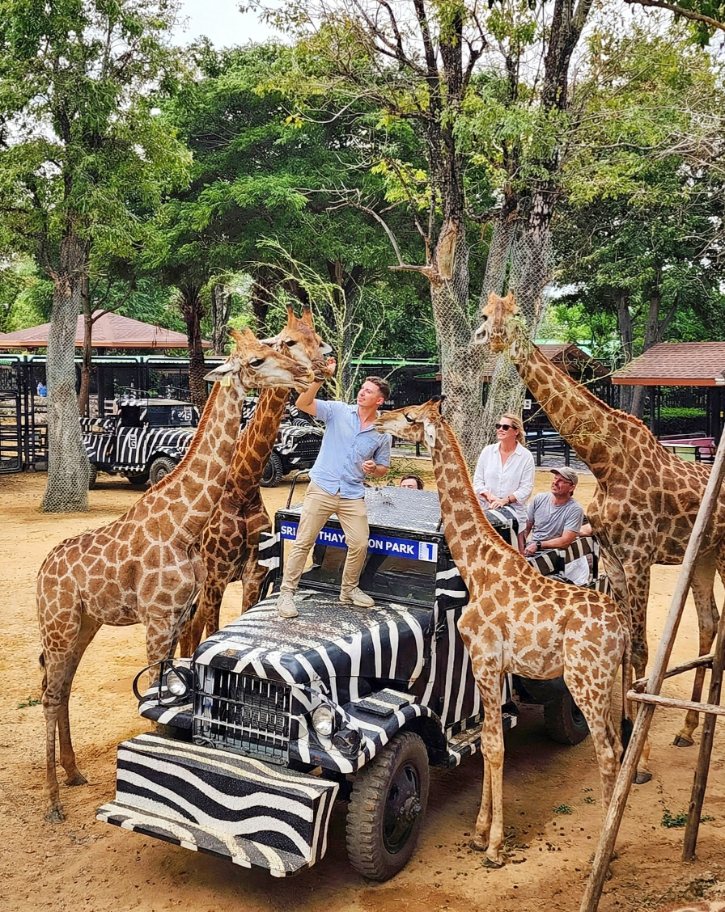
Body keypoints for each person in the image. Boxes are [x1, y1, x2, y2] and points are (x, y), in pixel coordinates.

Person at [276, 364, 392, 619]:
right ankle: (286, 594)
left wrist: (374, 468)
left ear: (379, 400)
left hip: (352, 493)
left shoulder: (383, 432)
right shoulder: (339, 411)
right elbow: (303, 403)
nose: (362, 393)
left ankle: (349, 589)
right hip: (322, 488)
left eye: (368, 391)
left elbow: (384, 467)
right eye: (362, 388)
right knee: (304, 541)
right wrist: (319, 378)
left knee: (360, 543)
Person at [472, 412, 534, 551]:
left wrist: (504, 501)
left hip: (515, 515)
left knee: (517, 556)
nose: (500, 429)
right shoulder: (487, 451)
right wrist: (490, 496)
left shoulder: (525, 456)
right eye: (498, 426)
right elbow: (477, 482)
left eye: (505, 427)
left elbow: (526, 489)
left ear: (516, 431)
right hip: (486, 511)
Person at [523, 467, 589, 585]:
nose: (555, 482)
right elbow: (526, 527)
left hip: (561, 556)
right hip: (535, 551)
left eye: (561, 481)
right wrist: (520, 547)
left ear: (572, 487)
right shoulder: (539, 499)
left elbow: (565, 541)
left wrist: (538, 545)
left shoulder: (575, 509)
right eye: (555, 478)